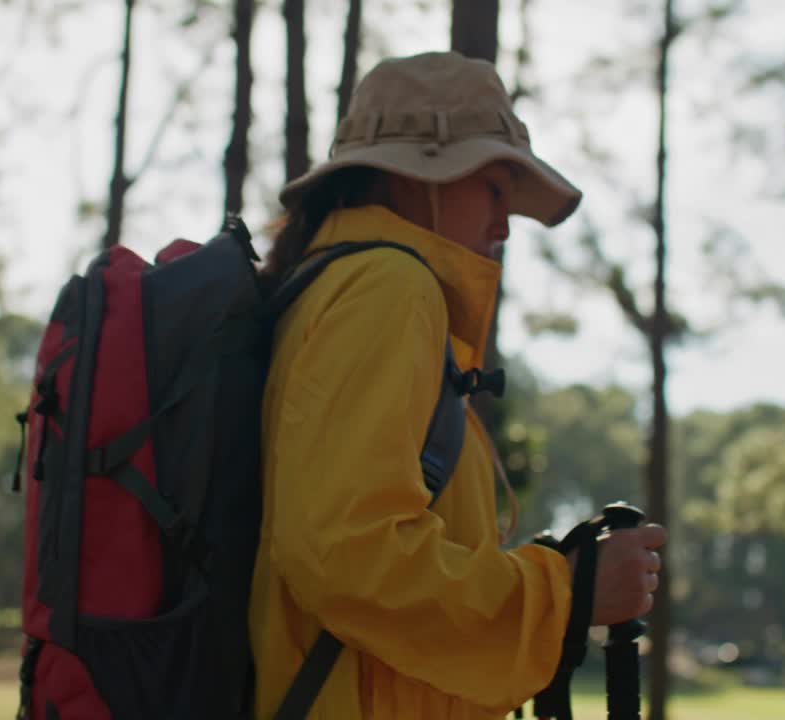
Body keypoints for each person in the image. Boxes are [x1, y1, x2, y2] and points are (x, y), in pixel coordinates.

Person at [251, 51, 667, 719]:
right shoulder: (390, 289)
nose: (504, 226)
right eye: (496, 189)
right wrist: (566, 592)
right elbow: (349, 554)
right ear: (418, 175)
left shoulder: (326, 288)